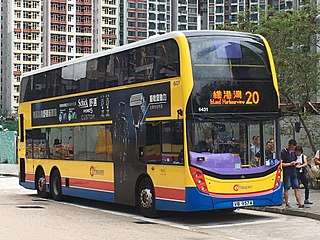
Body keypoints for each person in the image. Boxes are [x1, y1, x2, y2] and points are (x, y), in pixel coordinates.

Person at [281, 139, 305, 209]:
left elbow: (295, 159)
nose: (293, 149)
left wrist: (295, 163)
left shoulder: (293, 153)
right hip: (286, 172)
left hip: (293, 171)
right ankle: (287, 203)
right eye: (292, 147)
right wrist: (289, 164)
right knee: (287, 187)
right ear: (289, 145)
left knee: (296, 187)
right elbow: (281, 163)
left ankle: (300, 203)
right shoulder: (283, 152)